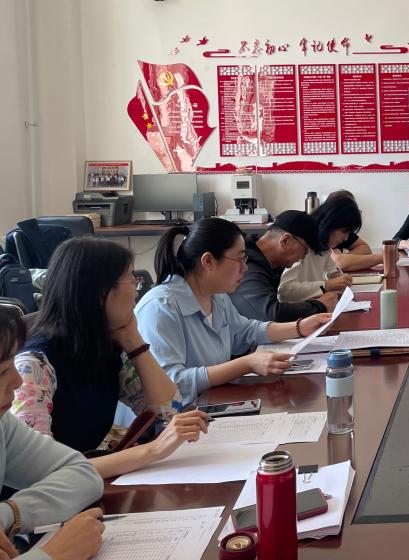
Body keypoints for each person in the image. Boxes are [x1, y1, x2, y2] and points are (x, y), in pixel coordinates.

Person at [12, 238, 210, 480]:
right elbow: (41, 473)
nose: (137, 290)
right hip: (45, 498)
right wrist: (153, 451)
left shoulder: (106, 346)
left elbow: (171, 414)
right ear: (100, 292)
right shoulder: (34, 367)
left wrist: (135, 342)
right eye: (132, 279)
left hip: (86, 485)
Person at [136, 218, 333, 405]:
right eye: (240, 259)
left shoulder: (216, 295)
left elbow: (244, 331)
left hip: (212, 403)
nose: (245, 268)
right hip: (178, 419)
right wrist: (246, 364)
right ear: (208, 261)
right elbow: (173, 384)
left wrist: (299, 327)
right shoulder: (160, 307)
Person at [0, 303, 107, 560]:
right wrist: (55, 555)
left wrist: (8, 514)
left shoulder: (2, 423)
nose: (17, 381)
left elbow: (84, 474)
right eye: (2, 371)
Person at [228, 209, 339, 322]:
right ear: (285, 240)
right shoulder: (249, 265)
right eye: (305, 250)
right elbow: (271, 314)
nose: (303, 257)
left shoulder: (265, 262)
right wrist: (319, 305)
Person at [279, 192, 382, 304]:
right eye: (344, 231)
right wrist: (327, 285)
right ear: (330, 223)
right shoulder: (301, 245)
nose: (346, 238)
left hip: (314, 306)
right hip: (296, 310)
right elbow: (284, 291)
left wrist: (339, 278)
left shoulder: (325, 246)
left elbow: (331, 271)